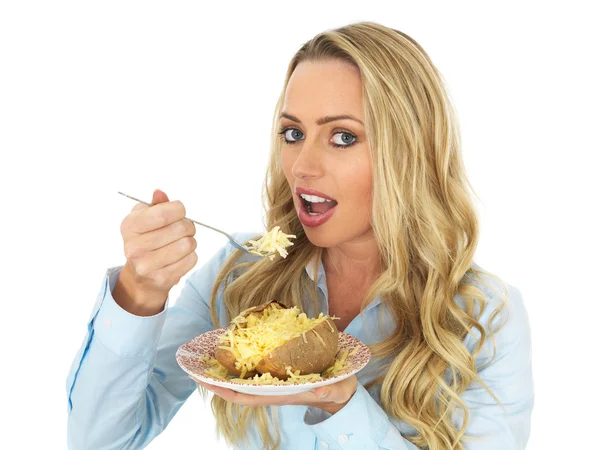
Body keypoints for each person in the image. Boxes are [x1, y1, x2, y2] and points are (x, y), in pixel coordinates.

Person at [66, 21, 534, 450]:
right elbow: (100, 441)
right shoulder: (240, 273)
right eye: (293, 133)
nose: (303, 168)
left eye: (343, 137)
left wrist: (342, 405)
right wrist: (137, 294)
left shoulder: (483, 318)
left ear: (408, 151)